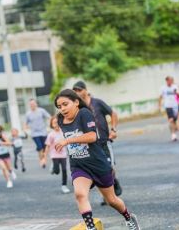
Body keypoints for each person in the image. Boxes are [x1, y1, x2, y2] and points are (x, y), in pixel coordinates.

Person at [54, 89, 140, 230]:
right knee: (80, 194)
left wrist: (67, 141)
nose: (62, 108)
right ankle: (91, 227)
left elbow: (92, 136)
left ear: (76, 102)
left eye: (65, 104)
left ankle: (129, 217)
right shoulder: (60, 119)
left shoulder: (84, 114)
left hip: (97, 164)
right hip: (79, 165)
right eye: (59, 106)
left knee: (111, 200)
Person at [72, 81, 123, 203]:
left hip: (104, 141)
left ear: (85, 90)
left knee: (109, 167)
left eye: (79, 90)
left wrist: (113, 129)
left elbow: (113, 114)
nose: (77, 93)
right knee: (98, 169)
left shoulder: (97, 103)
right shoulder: (78, 108)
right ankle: (107, 196)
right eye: (75, 91)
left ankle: (113, 182)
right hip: (90, 145)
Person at [44, 116, 70, 194]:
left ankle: (64, 185)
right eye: (54, 123)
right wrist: (44, 157)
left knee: (64, 170)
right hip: (54, 155)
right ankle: (53, 167)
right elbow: (47, 146)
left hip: (63, 154)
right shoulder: (51, 135)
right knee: (57, 171)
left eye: (57, 122)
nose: (56, 124)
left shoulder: (63, 132)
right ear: (52, 124)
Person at [24, 99, 51, 168]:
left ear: (36, 104)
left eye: (33, 103)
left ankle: (43, 159)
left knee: (44, 148)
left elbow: (49, 117)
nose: (32, 105)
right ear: (29, 105)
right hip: (34, 134)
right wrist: (25, 130)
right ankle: (42, 161)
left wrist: (50, 126)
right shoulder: (28, 114)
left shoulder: (41, 111)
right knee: (40, 148)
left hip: (43, 132)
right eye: (31, 104)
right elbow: (25, 123)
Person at [159, 76, 179, 141]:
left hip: (175, 105)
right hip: (168, 106)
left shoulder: (175, 87)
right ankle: (173, 135)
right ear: (166, 81)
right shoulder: (163, 88)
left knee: (174, 120)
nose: (170, 82)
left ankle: (174, 128)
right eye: (168, 80)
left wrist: (176, 93)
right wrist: (159, 105)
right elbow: (160, 97)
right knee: (171, 120)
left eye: (171, 80)